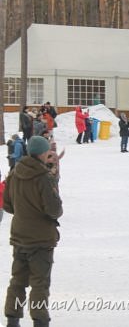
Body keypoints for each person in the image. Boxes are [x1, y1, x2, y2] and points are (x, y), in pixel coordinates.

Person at [3, 135, 63, 327]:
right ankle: (39, 320)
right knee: (39, 282)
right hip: (40, 238)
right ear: (44, 153)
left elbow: (8, 205)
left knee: (18, 280)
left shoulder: (14, 172)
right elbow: (54, 210)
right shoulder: (44, 177)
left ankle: (12, 319)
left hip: (19, 235)